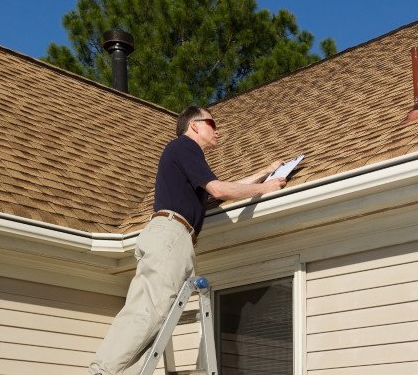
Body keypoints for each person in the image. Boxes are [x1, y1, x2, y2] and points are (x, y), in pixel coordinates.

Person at [88, 106, 286, 375]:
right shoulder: (184, 146)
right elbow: (218, 188)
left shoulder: (185, 163)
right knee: (150, 311)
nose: (218, 130)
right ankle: (101, 371)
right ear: (193, 125)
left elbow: (219, 191)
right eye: (212, 123)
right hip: (172, 234)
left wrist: (266, 172)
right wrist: (267, 187)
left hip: (170, 236)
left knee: (155, 319)